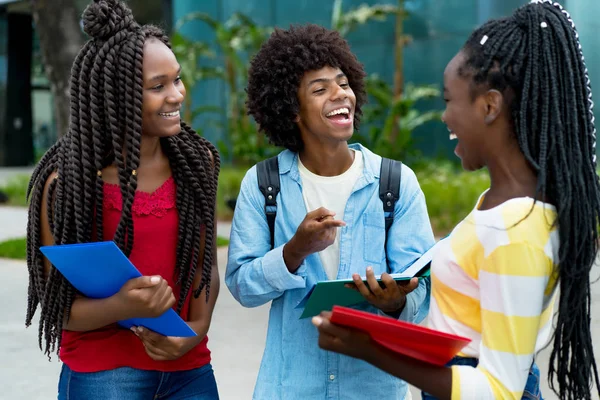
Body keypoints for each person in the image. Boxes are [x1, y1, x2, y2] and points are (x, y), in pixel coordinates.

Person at [313, 1, 600, 400]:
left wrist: (371, 350)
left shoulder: (516, 229)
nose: (444, 118)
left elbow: (500, 389)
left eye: (449, 101)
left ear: (489, 106)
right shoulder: (498, 204)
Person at [225, 24, 435, 400]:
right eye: (320, 89)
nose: (340, 95)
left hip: (373, 389)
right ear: (292, 111)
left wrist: (396, 301)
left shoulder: (395, 183)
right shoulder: (263, 185)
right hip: (289, 388)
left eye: (343, 83)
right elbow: (243, 287)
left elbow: (422, 288)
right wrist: (294, 251)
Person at [25, 1, 221, 398]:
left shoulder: (194, 164)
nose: (176, 95)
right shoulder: (67, 185)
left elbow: (205, 271)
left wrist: (195, 331)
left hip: (189, 369)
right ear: (117, 96)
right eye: (158, 86)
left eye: (177, 80)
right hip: (105, 373)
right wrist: (122, 305)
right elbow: (58, 309)